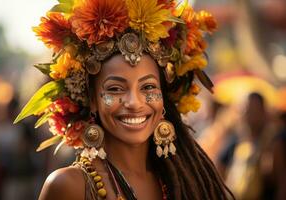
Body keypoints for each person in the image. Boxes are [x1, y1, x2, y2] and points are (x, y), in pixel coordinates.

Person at [15, 0, 234, 199]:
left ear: (163, 98)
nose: (134, 102)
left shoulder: (185, 181)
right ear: (92, 100)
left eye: (148, 86)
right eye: (116, 89)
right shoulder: (69, 186)